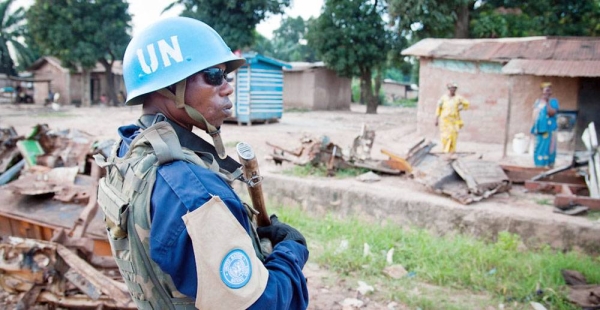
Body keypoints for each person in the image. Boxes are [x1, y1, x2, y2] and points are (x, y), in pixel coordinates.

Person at [94, 17, 309, 309]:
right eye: (214, 75)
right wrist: (290, 252)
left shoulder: (129, 151)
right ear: (171, 86)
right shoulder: (194, 193)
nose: (227, 88)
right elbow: (263, 304)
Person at [434, 82, 470, 153]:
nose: (452, 90)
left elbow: (467, 103)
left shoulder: (458, 98)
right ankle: (445, 151)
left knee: (452, 136)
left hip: (453, 121)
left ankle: (451, 151)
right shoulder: (443, 98)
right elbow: (438, 108)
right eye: (451, 89)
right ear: (449, 89)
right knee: (445, 136)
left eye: (454, 89)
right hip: (444, 121)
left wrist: (461, 108)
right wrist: (436, 119)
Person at [530, 82, 559, 167]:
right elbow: (534, 115)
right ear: (542, 92)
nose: (547, 92)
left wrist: (547, 102)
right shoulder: (538, 102)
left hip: (549, 130)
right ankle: (538, 165)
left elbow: (551, 113)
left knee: (549, 148)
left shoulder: (553, 102)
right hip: (540, 130)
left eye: (549, 90)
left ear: (551, 92)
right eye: (545, 90)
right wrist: (533, 127)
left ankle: (549, 165)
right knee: (539, 147)